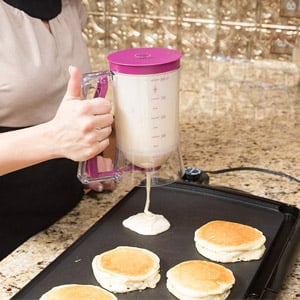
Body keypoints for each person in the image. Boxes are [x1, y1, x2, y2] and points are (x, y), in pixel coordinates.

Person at [0, 0, 113, 259]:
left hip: (62, 219)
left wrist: (89, 160)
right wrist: (54, 139)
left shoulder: (69, 6)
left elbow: (55, 96)